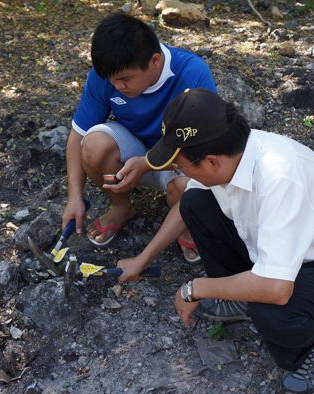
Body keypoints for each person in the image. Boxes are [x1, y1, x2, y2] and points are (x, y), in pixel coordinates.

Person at [143, 88, 314, 394]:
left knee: (270, 308)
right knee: (194, 202)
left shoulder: (280, 175)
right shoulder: (232, 154)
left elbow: (276, 288)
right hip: (277, 256)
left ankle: (307, 347)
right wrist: (143, 259)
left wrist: (194, 288)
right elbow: (187, 203)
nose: (178, 172)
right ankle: (242, 298)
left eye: (179, 167)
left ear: (212, 162)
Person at [62, 12, 216, 266]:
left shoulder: (191, 73)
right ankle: (121, 208)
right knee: (92, 144)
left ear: (155, 61)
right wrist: (74, 197)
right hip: (132, 152)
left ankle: (186, 223)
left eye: (125, 79)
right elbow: (78, 134)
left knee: (194, 185)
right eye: (112, 80)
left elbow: (205, 147)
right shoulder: (107, 75)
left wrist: (147, 163)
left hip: (178, 161)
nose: (117, 86)